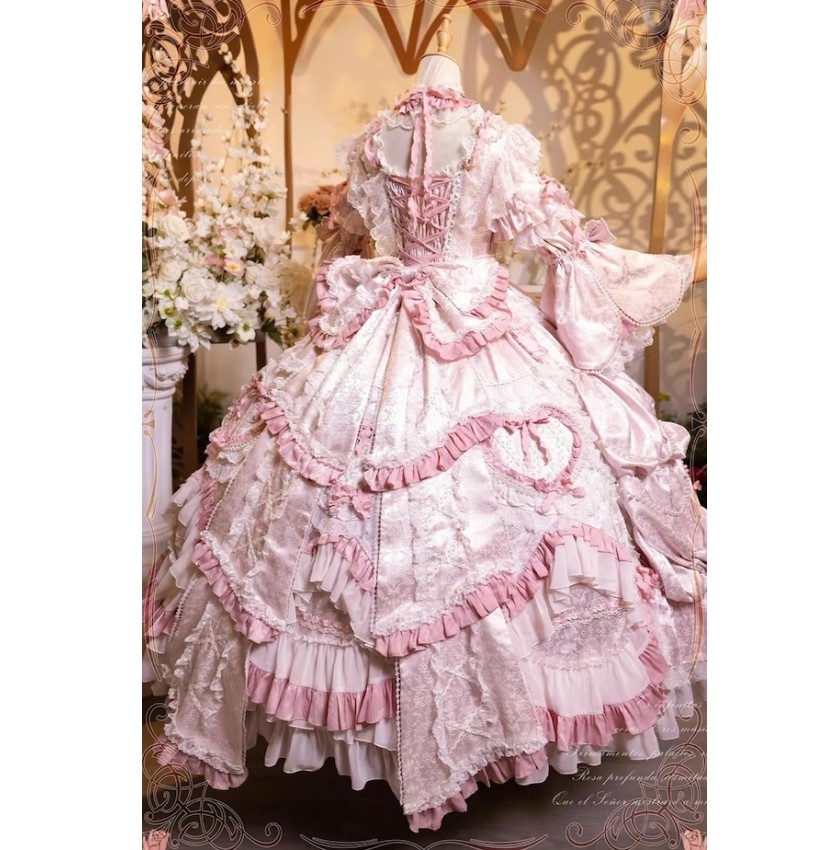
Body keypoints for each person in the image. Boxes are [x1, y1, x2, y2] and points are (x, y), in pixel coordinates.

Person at [143, 47, 706, 832]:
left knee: (330, 497)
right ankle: (474, 726)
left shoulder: (375, 140)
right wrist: (651, 274)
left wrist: (327, 319)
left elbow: (340, 244)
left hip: (379, 332)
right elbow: (559, 242)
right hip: (473, 317)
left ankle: (413, 728)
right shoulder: (493, 139)